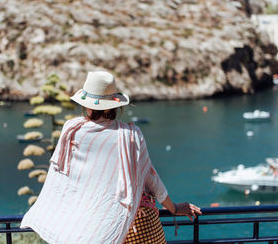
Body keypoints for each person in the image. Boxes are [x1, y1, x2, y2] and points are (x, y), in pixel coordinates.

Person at [21, 71, 201, 243]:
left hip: (90, 229)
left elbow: (65, 182)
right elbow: (151, 178)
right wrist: (174, 208)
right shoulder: (130, 135)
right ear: (115, 105)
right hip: (137, 226)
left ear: (85, 104)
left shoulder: (72, 130)